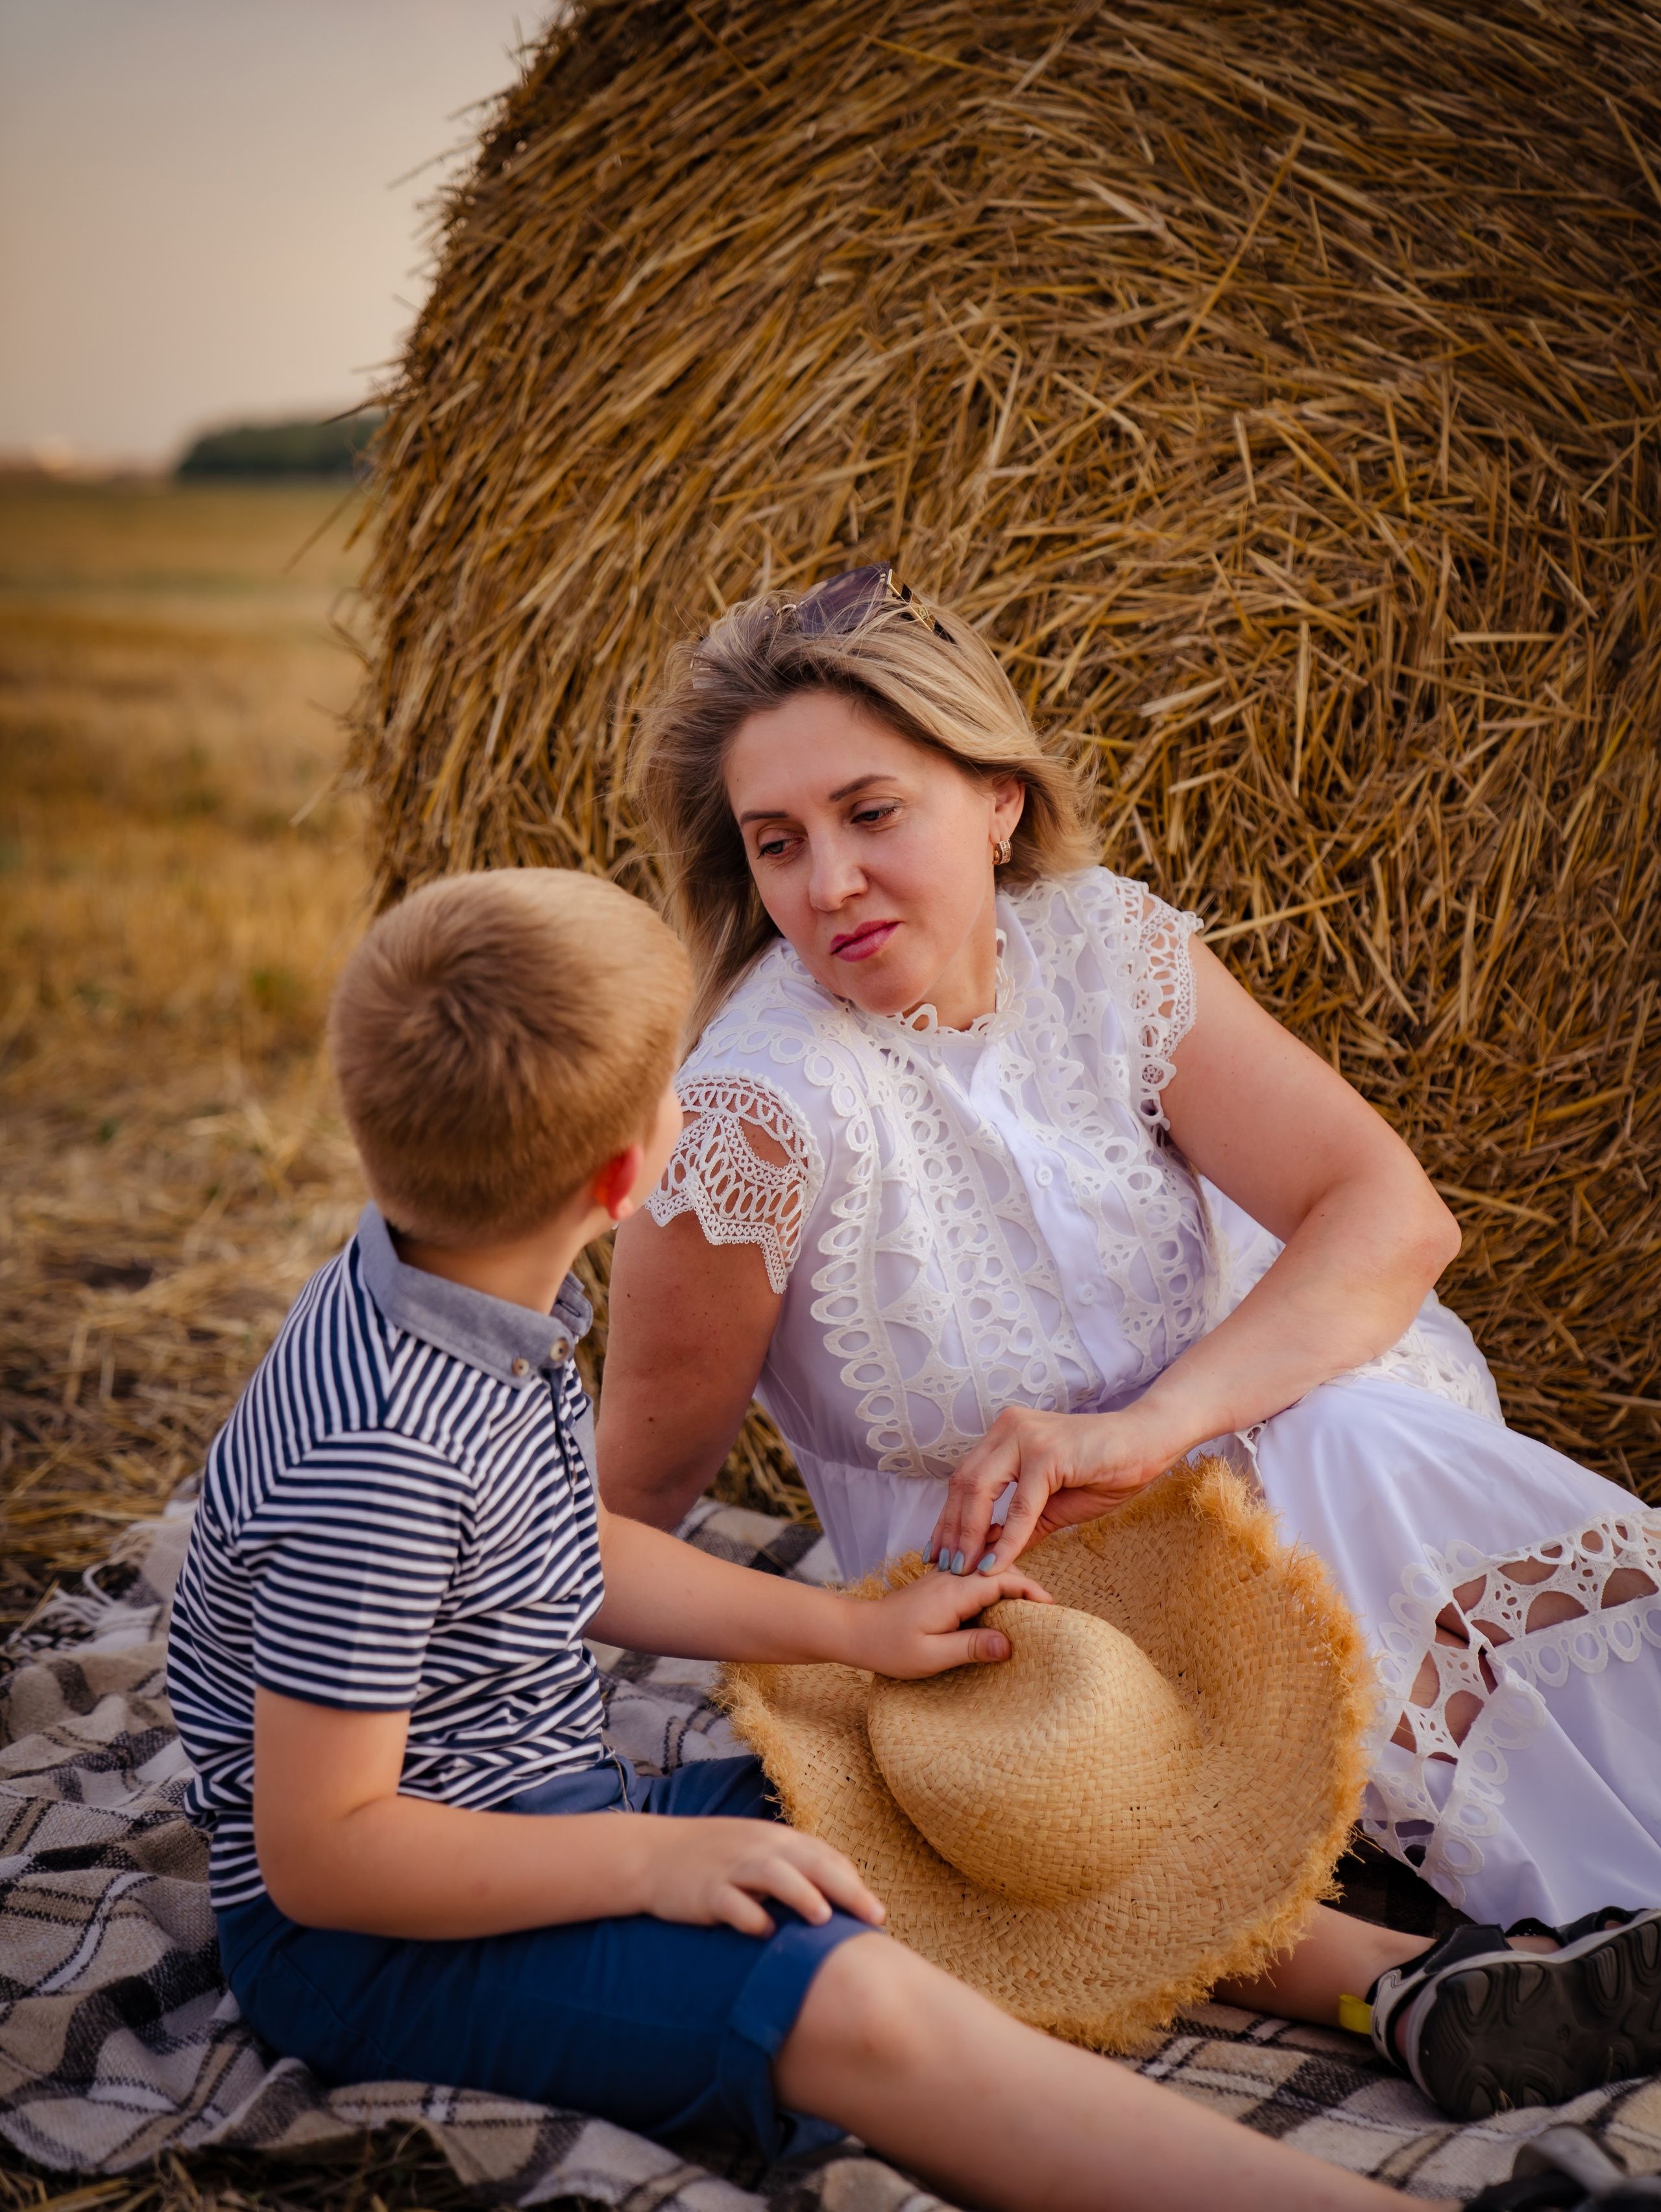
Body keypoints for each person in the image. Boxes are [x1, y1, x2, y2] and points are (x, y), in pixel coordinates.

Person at [165, 865, 1455, 2212]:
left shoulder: (444, 1284)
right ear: (631, 1172)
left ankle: (1397, 1984)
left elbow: (555, 1549)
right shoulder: (385, 1453)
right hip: (380, 1941)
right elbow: (328, 1853)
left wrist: (846, 1632)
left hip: (535, 1817)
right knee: (859, 2006)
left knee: (944, 1797)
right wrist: (656, 1860)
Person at [598, 562, 1661, 2101]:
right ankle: (1510, 1947)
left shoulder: (1102, 950)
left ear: (998, 802)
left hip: (1290, 1459)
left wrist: (1149, 1426)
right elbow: (616, 1506)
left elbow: (1386, 1211)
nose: (825, 880)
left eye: (870, 812)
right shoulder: (757, 1117)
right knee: (1313, 1458)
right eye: (777, 844)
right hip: (1040, 1622)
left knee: (1337, 1431)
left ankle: (1539, 1909)